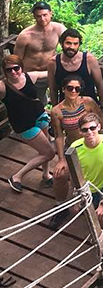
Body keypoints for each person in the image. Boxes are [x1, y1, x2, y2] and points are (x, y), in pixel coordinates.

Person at [50, 113, 103, 229]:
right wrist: (75, 196)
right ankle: (62, 209)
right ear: (80, 132)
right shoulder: (75, 147)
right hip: (87, 187)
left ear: (99, 127)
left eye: (92, 128)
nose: (89, 132)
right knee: (78, 210)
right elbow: (75, 175)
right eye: (85, 130)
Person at [1, 55, 56, 192]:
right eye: (9, 70)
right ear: (4, 72)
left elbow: (50, 71)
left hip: (39, 116)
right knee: (49, 153)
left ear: (21, 67)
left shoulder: (30, 77)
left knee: (45, 147)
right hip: (24, 125)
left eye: (16, 68)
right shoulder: (2, 86)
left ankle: (46, 174)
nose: (13, 72)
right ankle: (17, 176)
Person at [51, 75, 103, 185]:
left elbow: (101, 120)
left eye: (77, 89)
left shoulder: (88, 102)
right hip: (74, 146)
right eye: (70, 88)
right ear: (63, 89)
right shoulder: (56, 111)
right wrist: (61, 159)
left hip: (94, 141)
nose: (73, 91)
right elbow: (59, 136)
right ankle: (63, 200)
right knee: (61, 175)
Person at [13, 2, 67, 102]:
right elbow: (16, 60)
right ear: (34, 17)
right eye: (38, 16)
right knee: (30, 103)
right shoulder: (25, 35)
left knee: (67, 87)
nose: (42, 19)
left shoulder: (59, 29)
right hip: (29, 75)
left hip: (48, 73)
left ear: (50, 13)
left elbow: (70, 47)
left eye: (45, 15)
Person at [47, 28, 103, 106]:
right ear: (61, 43)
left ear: (79, 45)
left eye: (75, 44)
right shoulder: (53, 63)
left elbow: (99, 85)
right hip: (66, 108)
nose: (71, 47)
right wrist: (55, 109)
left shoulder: (89, 60)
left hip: (89, 107)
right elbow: (53, 89)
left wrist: (102, 107)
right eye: (68, 43)